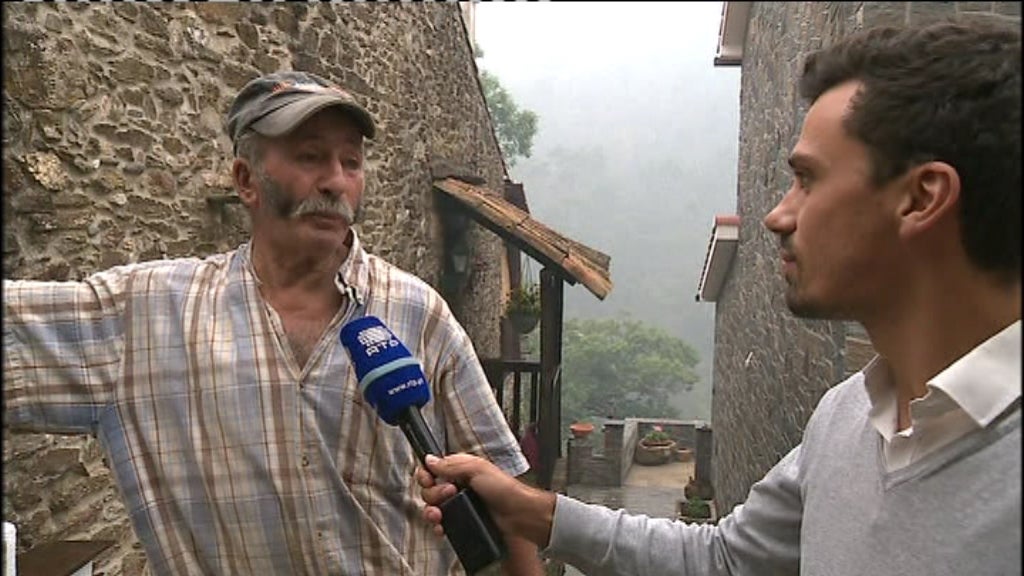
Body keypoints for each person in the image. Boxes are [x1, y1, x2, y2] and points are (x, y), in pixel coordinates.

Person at [416, 20, 1021, 576]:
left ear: (921, 198)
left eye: (808, 180)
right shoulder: (847, 415)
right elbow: (727, 558)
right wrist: (535, 513)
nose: (778, 215)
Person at [3, 71, 543, 576]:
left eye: (350, 163)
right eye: (310, 158)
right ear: (246, 180)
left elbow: (505, 496)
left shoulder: (417, 313)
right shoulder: (144, 314)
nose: (335, 181)